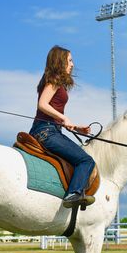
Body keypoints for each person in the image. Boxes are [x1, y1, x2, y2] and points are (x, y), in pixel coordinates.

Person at [29, 45, 96, 208]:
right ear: (60, 61)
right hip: (46, 131)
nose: (72, 64)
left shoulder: (54, 80)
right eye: (70, 60)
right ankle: (73, 193)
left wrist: (75, 127)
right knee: (86, 161)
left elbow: (52, 112)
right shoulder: (54, 79)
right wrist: (64, 117)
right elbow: (42, 104)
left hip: (49, 129)